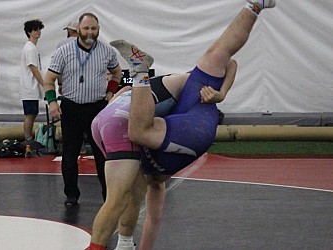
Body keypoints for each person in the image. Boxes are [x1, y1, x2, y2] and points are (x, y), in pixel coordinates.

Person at [88, 0, 276, 249]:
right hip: (159, 119)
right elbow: (152, 219)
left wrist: (222, 94)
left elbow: (152, 218)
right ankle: (255, 5)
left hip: (112, 120)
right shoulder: (151, 175)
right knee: (128, 179)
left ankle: (141, 74)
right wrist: (222, 94)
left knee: (125, 186)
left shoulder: (148, 170)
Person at [43, 12, 122, 206]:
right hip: (71, 108)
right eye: (86, 28)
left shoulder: (107, 51)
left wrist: (111, 92)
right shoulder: (64, 51)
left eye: (93, 28)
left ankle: (108, 196)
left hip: (98, 108)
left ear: (98, 29)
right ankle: (71, 195)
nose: (89, 32)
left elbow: (117, 73)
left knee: (102, 156)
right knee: (69, 155)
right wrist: (52, 102)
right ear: (78, 29)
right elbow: (48, 80)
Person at [19, 19, 45, 146]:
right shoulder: (29, 48)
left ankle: (28, 139)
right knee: (30, 114)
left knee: (33, 113)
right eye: (35, 30)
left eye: (39, 29)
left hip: (32, 86)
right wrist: (44, 83)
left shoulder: (32, 48)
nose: (38, 32)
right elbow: (33, 68)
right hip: (29, 86)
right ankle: (27, 139)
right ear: (29, 32)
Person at [56, 19, 79, 95]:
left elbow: (58, 66)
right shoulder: (87, 45)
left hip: (67, 84)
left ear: (70, 31)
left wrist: (60, 84)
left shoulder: (61, 45)